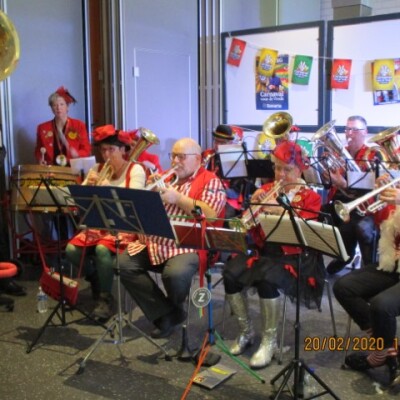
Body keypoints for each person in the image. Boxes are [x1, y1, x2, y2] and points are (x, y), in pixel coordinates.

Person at [222, 140, 323, 369]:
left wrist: (280, 212)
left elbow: (306, 234)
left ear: (300, 170)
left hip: (295, 256)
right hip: (265, 252)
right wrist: (252, 208)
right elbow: (248, 229)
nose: (281, 175)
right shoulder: (266, 190)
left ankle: (269, 341)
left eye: (287, 169)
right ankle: (246, 331)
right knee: (230, 272)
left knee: (268, 281)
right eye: (277, 168)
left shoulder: (310, 197)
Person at [119, 137, 226, 338]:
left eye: (181, 157)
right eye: (173, 156)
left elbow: (211, 215)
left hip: (188, 244)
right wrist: (149, 195)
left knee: (175, 274)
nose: (175, 161)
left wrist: (178, 198)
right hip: (154, 241)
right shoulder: (164, 178)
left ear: (197, 159)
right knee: (123, 264)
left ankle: (171, 310)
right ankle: (167, 313)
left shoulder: (210, 180)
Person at [65, 125, 146, 319]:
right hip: (101, 225)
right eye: (103, 150)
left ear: (123, 150)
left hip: (125, 227)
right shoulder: (97, 168)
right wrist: (88, 185)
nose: (106, 155)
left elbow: (134, 202)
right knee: (70, 250)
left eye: (111, 149)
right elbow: (80, 201)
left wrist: (108, 188)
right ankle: (95, 277)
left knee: (102, 249)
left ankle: (105, 297)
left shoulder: (136, 169)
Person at [333, 174, 400, 382]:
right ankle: (387, 352)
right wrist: (382, 197)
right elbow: (385, 226)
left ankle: (381, 354)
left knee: (381, 305)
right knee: (344, 286)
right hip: (392, 263)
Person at [322, 115, 380, 274]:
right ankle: (320, 263)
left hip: (362, 205)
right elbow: (328, 185)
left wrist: (343, 184)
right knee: (316, 215)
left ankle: (353, 261)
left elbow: (373, 187)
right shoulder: (340, 153)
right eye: (347, 129)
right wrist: (327, 177)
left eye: (354, 129)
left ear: (365, 132)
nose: (349, 133)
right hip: (339, 202)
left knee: (352, 227)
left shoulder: (373, 155)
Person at [203, 124, 254, 221]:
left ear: (230, 143)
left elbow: (235, 193)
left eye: (222, 142)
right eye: (216, 141)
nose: (217, 145)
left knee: (225, 214)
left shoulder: (235, 159)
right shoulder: (207, 154)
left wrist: (218, 190)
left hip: (227, 198)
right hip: (207, 193)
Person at [35, 86, 91, 166]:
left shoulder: (79, 125)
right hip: (51, 168)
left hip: (73, 167)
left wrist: (77, 154)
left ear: (67, 107)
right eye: (55, 105)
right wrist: (40, 159)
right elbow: (38, 150)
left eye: (62, 104)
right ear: (51, 108)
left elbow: (86, 149)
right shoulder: (42, 128)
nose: (58, 108)